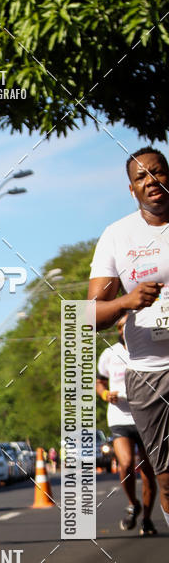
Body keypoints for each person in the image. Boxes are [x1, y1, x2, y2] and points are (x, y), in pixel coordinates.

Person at [88, 146, 169, 531]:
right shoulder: (117, 236)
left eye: (159, 172)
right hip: (148, 373)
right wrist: (127, 300)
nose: (152, 180)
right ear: (132, 189)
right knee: (166, 478)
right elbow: (88, 315)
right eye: (142, 177)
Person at [96, 314, 157, 534]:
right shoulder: (109, 354)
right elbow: (99, 382)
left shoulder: (148, 349)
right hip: (119, 417)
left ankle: (147, 519)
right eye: (119, 327)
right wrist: (104, 395)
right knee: (126, 464)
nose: (122, 330)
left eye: (126, 326)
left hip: (147, 416)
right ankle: (133, 503)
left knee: (149, 471)